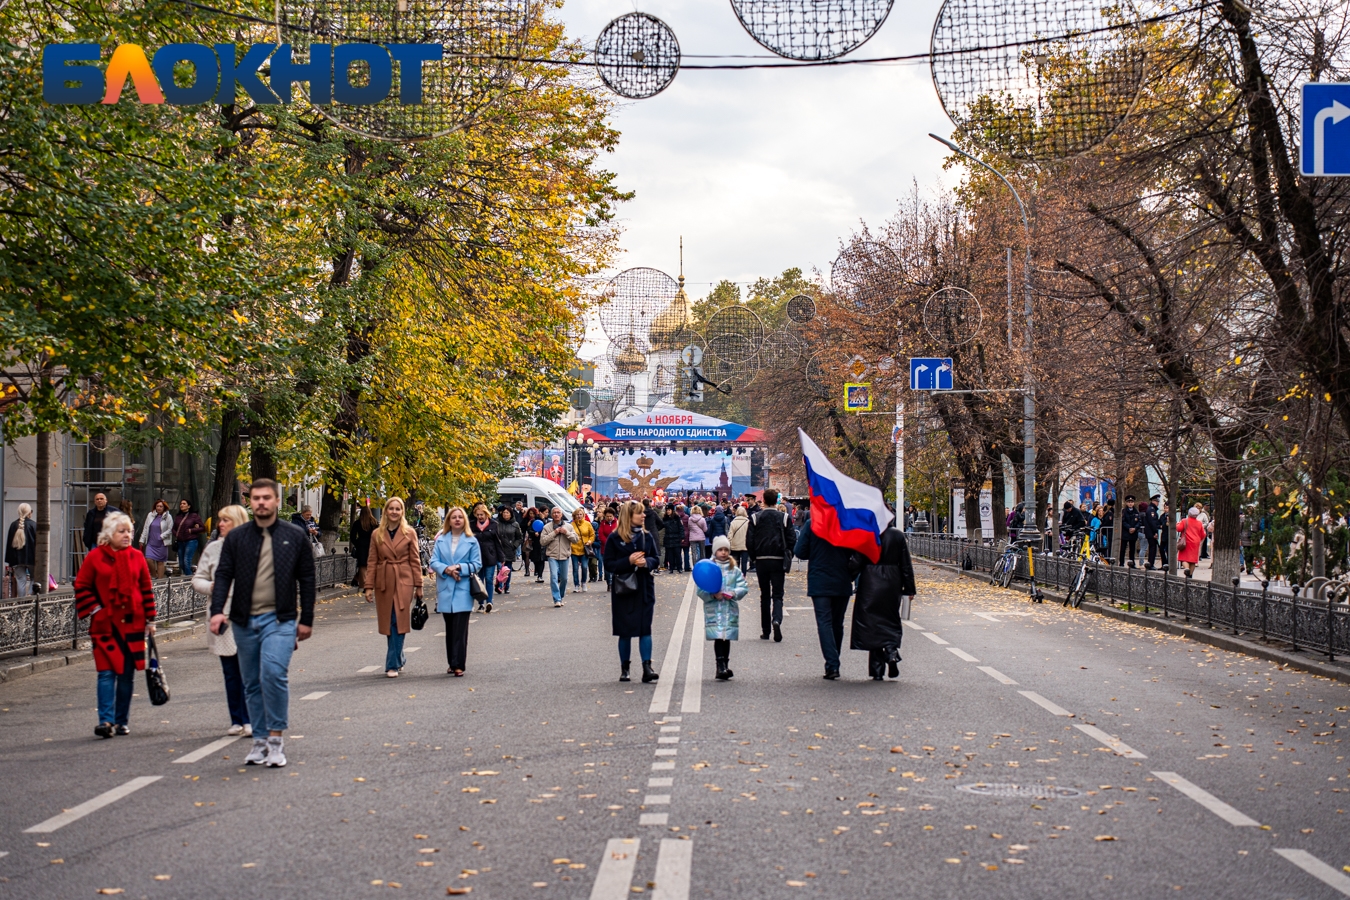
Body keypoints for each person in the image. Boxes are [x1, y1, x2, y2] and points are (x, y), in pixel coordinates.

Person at [208, 478, 317, 769]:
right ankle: (259, 741)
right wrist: (218, 611)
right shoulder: (238, 538)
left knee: (273, 673)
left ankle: (276, 740)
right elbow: (224, 576)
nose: (261, 503)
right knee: (252, 682)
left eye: (266, 498)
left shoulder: (294, 537)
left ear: (276, 501)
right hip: (244, 620)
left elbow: (307, 579)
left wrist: (306, 619)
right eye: (255, 498)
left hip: (279, 619)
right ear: (250, 502)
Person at [75, 512, 156, 738]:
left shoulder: (137, 557)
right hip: (104, 626)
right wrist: (96, 610)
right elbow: (81, 586)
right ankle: (106, 721)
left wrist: (151, 619)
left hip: (133, 624)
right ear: (109, 534)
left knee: (126, 675)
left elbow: (146, 589)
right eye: (122, 531)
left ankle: (121, 721)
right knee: (106, 673)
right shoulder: (95, 557)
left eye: (129, 531)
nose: (127, 535)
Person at [192, 504, 252, 735]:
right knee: (230, 671)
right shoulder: (214, 548)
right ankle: (236, 719)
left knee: (249, 670)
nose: (221, 524)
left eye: (226, 520)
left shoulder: (253, 547)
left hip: (248, 616)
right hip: (222, 616)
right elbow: (197, 579)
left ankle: (249, 718)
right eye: (220, 520)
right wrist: (212, 586)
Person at [364, 498, 423, 678]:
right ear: (386, 511)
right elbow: (372, 561)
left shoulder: (409, 532)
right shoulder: (377, 534)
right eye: (391, 509)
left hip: (403, 579)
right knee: (389, 622)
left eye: (398, 509)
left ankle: (392, 664)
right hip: (384, 580)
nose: (394, 512)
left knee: (398, 620)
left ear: (402, 511)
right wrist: (368, 586)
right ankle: (399, 656)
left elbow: (415, 560)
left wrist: (418, 585)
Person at [794, 512, 857, 680]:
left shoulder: (812, 524)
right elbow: (857, 552)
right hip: (842, 578)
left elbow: (800, 551)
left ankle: (832, 664)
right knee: (837, 623)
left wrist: (815, 550)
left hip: (820, 579)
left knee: (824, 622)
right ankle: (833, 660)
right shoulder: (846, 523)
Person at [603, 501, 660, 683]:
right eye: (639, 513)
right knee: (625, 630)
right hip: (624, 588)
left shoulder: (646, 536)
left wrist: (647, 563)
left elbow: (656, 558)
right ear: (629, 516)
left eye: (643, 513)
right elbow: (609, 565)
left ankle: (647, 667)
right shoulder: (615, 538)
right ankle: (625, 668)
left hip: (644, 587)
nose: (643, 516)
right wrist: (628, 560)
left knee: (645, 628)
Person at [850, 527, 915, 681]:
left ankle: (877, 671)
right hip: (892, 582)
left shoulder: (866, 535)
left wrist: (847, 577)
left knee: (872, 624)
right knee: (890, 619)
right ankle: (891, 651)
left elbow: (856, 562)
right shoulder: (898, 535)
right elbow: (905, 564)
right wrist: (909, 588)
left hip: (870, 582)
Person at [429, 507, 481, 677]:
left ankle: (459, 664)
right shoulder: (441, 540)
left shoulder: (471, 541)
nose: (457, 520)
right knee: (450, 628)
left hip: (463, 588)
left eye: (460, 517)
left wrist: (459, 567)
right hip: (446, 587)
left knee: (460, 628)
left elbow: (477, 564)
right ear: (449, 521)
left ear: (464, 520)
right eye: (454, 517)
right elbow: (434, 561)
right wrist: (447, 570)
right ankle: (452, 662)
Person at [747, 489, 796, 642]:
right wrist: (788, 554)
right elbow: (792, 539)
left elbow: (749, 541)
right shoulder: (784, 517)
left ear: (764, 501)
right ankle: (777, 619)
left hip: (761, 559)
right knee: (778, 594)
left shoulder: (755, 517)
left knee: (764, 595)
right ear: (776, 501)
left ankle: (766, 630)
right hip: (778, 559)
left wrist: (754, 558)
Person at [698, 535, 750, 681]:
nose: (723, 553)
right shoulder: (709, 568)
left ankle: (725, 665)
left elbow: (743, 587)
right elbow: (701, 589)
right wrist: (712, 595)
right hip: (714, 609)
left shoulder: (734, 569)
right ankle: (720, 665)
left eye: (726, 550)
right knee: (718, 637)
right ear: (715, 551)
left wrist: (733, 593)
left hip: (729, 608)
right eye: (720, 550)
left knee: (726, 637)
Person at [468, 503, 503, 612]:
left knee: (489, 579)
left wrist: (501, 557)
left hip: (490, 555)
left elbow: (498, 542)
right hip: (476, 557)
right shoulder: (472, 525)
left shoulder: (494, 524)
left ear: (486, 514)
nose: (480, 517)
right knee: (479, 580)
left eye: (482, 514)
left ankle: (489, 601)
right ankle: (481, 603)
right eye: (478, 515)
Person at [540, 507, 576, 607]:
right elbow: (542, 541)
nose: (556, 514)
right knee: (554, 577)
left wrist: (566, 533)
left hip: (565, 555)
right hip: (552, 555)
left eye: (558, 513)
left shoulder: (568, 526)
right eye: (554, 513)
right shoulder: (547, 527)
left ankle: (560, 596)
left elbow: (576, 539)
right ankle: (557, 599)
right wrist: (554, 533)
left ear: (561, 514)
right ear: (551, 515)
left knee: (564, 578)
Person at [6, 503, 37, 596]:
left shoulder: (13, 525)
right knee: (34, 578)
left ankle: (22, 603)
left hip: (17, 559)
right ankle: (30, 599)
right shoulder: (34, 525)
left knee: (21, 581)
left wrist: (10, 562)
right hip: (32, 559)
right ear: (29, 513)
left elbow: (9, 545)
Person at [138, 499, 173, 579]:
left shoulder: (168, 516)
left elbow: (170, 529)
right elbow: (146, 527)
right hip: (151, 542)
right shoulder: (150, 515)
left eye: (161, 506)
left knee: (160, 562)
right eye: (157, 506)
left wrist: (162, 536)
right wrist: (142, 539)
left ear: (164, 507)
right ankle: (154, 576)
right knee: (148, 559)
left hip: (161, 543)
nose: (159, 508)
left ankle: (160, 581)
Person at [495, 507, 522, 596]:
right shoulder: (497, 523)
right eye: (504, 513)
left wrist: (514, 545)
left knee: (507, 570)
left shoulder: (515, 524)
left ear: (511, 514)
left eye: (507, 513)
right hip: (499, 549)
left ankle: (507, 586)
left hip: (509, 549)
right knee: (500, 568)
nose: (505, 514)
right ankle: (499, 585)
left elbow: (519, 538)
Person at [174, 499, 205, 576]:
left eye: (184, 503)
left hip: (191, 541)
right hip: (180, 541)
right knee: (181, 563)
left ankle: (189, 580)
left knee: (186, 560)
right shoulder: (178, 516)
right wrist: (177, 534)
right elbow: (173, 528)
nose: (182, 505)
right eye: (181, 503)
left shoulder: (194, 516)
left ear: (189, 506)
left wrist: (192, 530)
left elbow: (202, 528)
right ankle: (191, 575)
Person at [350, 504, 378, 589]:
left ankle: (363, 584)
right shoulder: (374, 522)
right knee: (370, 564)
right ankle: (368, 584)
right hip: (371, 545)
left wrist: (357, 543)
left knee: (362, 565)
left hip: (361, 546)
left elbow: (352, 536)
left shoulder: (358, 523)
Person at [569, 507, 596, 592]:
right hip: (574, 549)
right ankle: (576, 585)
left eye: (581, 514)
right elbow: (568, 536)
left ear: (583, 515)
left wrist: (589, 541)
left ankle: (583, 582)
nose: (579, 516)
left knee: (584, 567)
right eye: (577, 514)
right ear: (574, 516)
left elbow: (592, 535)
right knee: (575, 568)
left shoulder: (587, 524)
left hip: (585, 549)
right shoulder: (571, 525)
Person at [1175, 507, 1206, 577]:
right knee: (1193, 561)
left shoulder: (1184, 521)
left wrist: (1176, 524)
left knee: (1184, 558)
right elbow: (1203, 534)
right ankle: (1190, 576)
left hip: (1186, 543)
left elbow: (1178, 528)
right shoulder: (1199, 523)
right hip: (1195, 543)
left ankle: (1186, 569)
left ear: (1189, 513)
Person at [661, 506, 685, 572]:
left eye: (669, 510)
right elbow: (661, 526)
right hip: (668, 538)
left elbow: (681, 527)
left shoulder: (677, 518)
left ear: (672, 510)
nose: (668, 511)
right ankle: (671, 568)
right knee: (670, 555)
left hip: (676, 537)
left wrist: (682, 537)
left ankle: (679, 567)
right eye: (667, 510)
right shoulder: (665, 518)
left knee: (677, 554)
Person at [728, 506, 750, 574]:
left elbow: (730, 535)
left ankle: (736, 576)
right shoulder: (748, 522)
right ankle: (743, 576)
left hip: (735, 545)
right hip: (745, 545)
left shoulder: (733, 522)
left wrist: (728, 543)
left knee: (736, 562)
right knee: (744, 562)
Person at [1118, 494, 1140, 567]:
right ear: (1126, 503)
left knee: (1132, 549)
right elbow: (1123, 521)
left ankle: (1132, 563)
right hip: (1126, 533)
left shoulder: (1136, 512)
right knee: (1123, 549)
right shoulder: (1124, 511)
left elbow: (1139, 521)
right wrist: (1129, 528)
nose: (1130, 503)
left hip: (1133, 533)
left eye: (1132, 502)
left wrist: (1135, 528)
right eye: (1129, 502)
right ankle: (1121, 563)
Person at [527, 508, 547, 583]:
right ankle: (537, 571)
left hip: (542, 542)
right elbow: (529, 530)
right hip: (535, 542)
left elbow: (546, 528)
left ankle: (540, 575)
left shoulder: (545, 520)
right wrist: (534, 532)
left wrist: (544, 519)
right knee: (536, 559)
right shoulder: (533, 521)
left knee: (541, 559)